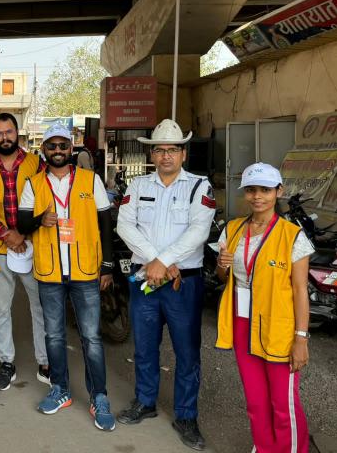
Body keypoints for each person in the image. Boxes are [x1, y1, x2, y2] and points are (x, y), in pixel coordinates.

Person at [116, 119, 215, 451]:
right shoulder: (137, 186)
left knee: (187, 352)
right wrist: (155, 262)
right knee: (144, 347)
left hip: (182, 285)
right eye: (159, 150)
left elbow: (199, 231)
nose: (166, 156)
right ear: (152, 154)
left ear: (183, 153)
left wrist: (163, 261)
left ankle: (186, 415)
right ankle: (145, 402)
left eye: (173, 149)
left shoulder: (199, 186)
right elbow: (125, 227)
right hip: (147, 280)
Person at [17, 124, 116, 430]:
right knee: (55, 336)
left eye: (62, 146)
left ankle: (99, 396)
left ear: (70, 149)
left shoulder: (90, 179)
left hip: (85, 269)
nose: (57, 151)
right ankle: (60, 390)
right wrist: (38, 220)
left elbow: (105, 224)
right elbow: (22, 224)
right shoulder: (34, 184)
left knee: (91, 337)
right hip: (49, 271)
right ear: (43, 150)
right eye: (51, 146)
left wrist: (108, 266)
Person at [215, 163, 311, 453]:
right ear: (245, 193)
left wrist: (301, 338)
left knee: (283, 403)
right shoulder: (232, 230)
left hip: (279, 326)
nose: (258, 196)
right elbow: (224, 277)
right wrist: (222, 267)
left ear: (278, 192)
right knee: (256, 401)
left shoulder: (292, 236)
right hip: (242, 323)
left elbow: (299, 290)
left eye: (266, 190)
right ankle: (265, 447)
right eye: (252, 190)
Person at [0, 112, 49, 389]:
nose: (4, 137)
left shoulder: (36, 164)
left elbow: (46, 203)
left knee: (40, 305)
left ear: (17, 133)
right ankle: (6, 362)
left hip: (32, 244)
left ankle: (45, 362)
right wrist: (5, 234)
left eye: (9, 132)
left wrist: (23, 233)